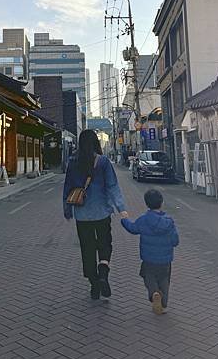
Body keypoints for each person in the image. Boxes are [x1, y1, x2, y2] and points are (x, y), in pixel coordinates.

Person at [63, 129, 128, 300]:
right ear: (95, 143)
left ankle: (94, 284)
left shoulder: (73, 161)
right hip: (102, 212)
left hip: (82, 214)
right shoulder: (103, 162)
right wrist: (121, 208)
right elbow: (112, 186)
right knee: (105, 244)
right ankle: (103, 274)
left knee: (87, 248)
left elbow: (67, 187)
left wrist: (67, 209)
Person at [121, 189, 179, 315]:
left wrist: (124, 219)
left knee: (148, 277)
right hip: (165, 261)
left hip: (148, 259)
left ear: (147, 204)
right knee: (164, 280)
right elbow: (175, 241)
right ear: (162, 203)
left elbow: (132, 228)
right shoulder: (169, 222)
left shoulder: (144, 220)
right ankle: (163, 304)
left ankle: (154, 293)